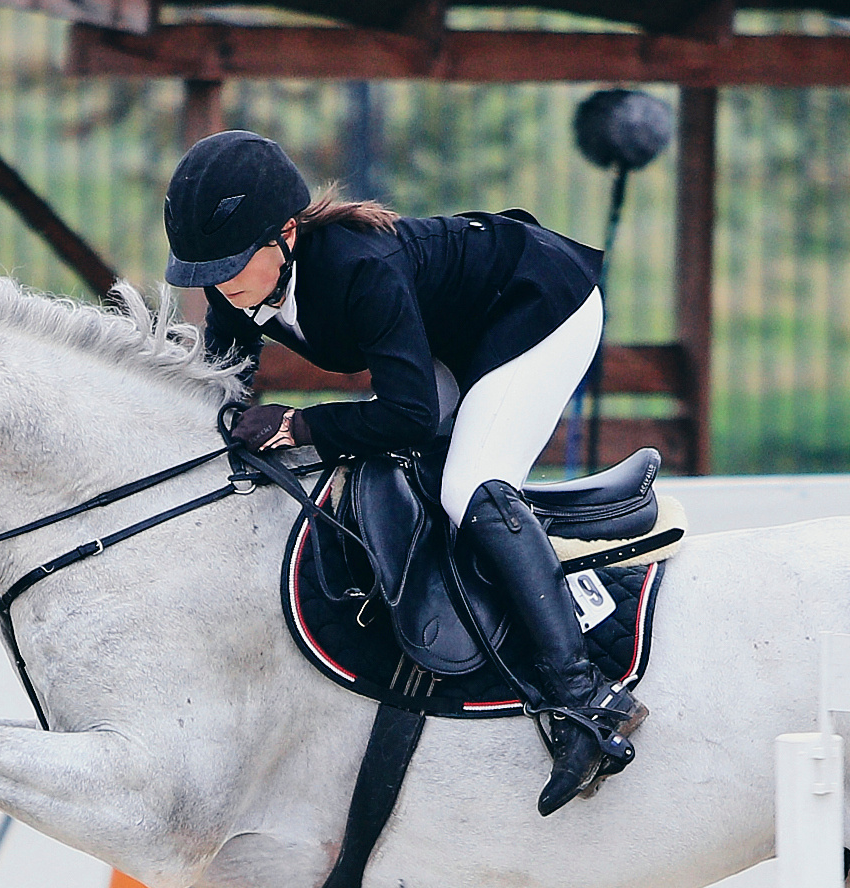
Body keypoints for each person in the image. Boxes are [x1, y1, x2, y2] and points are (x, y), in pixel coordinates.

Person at [164, 128, 641, 816]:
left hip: (541, 304)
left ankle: (588, 699)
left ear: (289, 233)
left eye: (234, 264)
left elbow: (410, 413)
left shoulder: (359, 268)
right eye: (205, 271)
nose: (220, 285)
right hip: (456, 331)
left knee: (468, 485)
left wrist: (300, 423)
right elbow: (221, 391)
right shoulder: (237, 286)